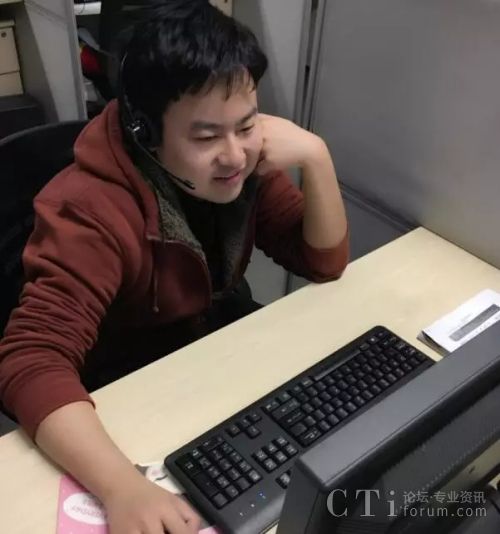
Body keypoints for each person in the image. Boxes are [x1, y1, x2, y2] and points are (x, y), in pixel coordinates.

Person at [0, 1, 349, 533]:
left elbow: (321, 260)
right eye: (206, 137)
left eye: (247, 125)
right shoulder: (90, 209)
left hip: (209, 354)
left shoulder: (242, 166)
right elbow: (31, 362)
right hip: (128, 386)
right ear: (146, 132)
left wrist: (317, 157)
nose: (234, 155)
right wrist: (121, 487)